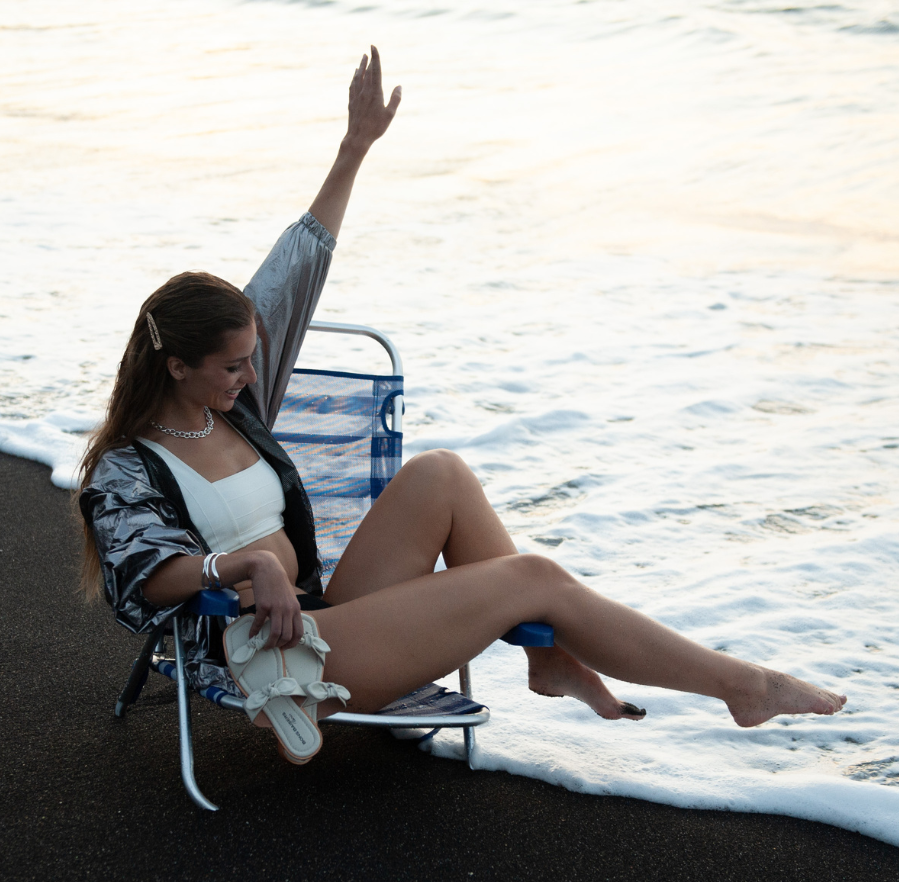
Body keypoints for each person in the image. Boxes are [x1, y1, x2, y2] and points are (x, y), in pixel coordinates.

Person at [78, 47, 844, 762]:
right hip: (273, 655)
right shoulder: (127, 467)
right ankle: (742, 685)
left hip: (327, 615)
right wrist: (246, 562)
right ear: (177, 366)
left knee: (440, 472)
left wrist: (354, 148)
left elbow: (296, 267)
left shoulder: (232, 403)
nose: (253, 374)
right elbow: (147, 573)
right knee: (533, 576)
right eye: (233, 365)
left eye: (254, 358)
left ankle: (550, 656)